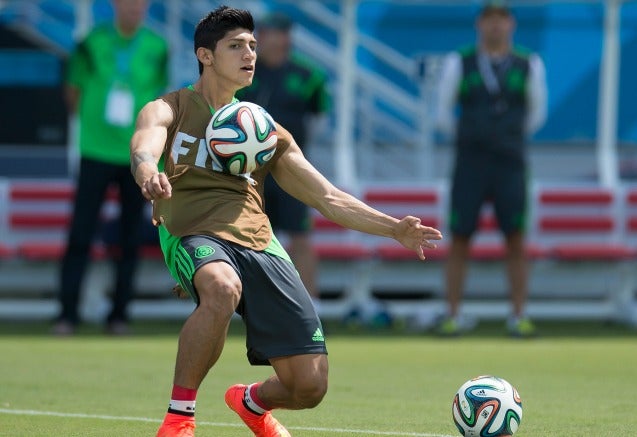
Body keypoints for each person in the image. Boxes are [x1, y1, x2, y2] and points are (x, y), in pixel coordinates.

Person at [129, 6, 441, 437]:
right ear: (205, 55)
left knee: (309, 386)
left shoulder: (262, 129)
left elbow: (327, 197)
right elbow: (145, 145)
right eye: (236, 46)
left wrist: (394, 228)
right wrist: (148, 173)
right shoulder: (172, 107)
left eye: (253, 46)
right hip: (194, 233)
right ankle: (179, 419)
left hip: (258, 240)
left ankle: (250, 402)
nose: (249, 54)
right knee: (221, 288)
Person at [434, 0, 547, 337]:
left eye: (502, 18)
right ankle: (452, 314)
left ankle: (518, 315)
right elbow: (443, 114)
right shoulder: (460, 62)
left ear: (511, 24)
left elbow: (536, 113)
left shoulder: (529, 63)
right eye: (489, 19)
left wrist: (505, 136)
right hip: (470, 162)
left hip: (510, 163)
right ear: (479, 24)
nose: (495, 25)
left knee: (515, 238)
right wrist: (475, 136)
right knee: (460, 238)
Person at [55, 0, 168, 336]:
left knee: (131, 237)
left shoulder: (158, 46)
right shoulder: (90, 43)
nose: (136, 7)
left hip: (139, 156)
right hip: (95, 150)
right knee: (80, 234)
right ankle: (67, 315)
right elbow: (73, 93)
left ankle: (119, 315)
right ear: (115, 4)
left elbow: (158, 98)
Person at [236, 11, 330, 309]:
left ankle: (311, 306)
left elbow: (319, 118)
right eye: (267, 33)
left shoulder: (308, 75)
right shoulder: (243, 72)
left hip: (290, 169)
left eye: (279, 33)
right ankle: (251, 306)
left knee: (300, 236)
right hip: (250, 171)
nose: (273, 40)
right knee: (250, 237)